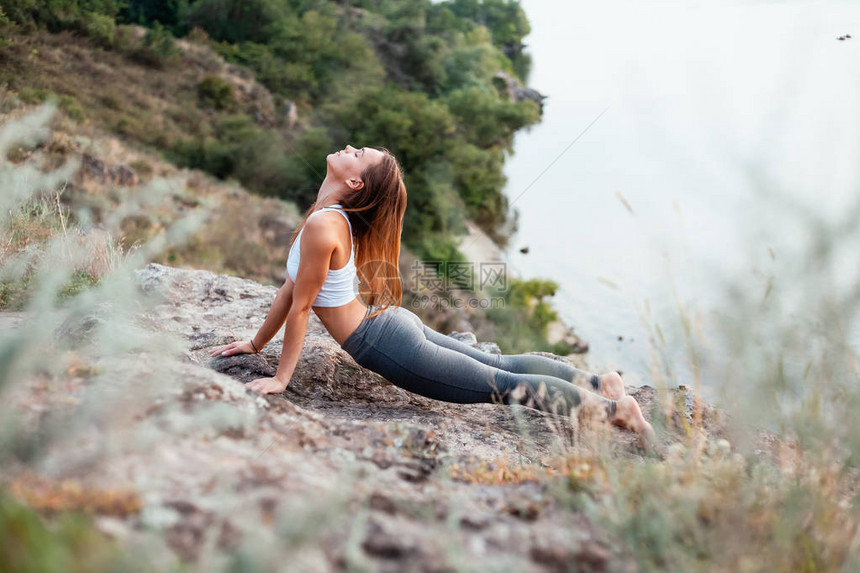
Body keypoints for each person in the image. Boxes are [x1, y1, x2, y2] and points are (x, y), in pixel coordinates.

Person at [208, 144, 655, 447]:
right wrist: (256, 344)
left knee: (504, 385)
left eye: (358, 154)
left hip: (385, 341)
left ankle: (615, 410)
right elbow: (291, 290)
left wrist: (281, 379)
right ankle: (601, 384)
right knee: (500, 368)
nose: (349, 148)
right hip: (389, 328)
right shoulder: (327, 217)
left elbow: (303, 307)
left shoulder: (325, 224)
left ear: (357, 183)